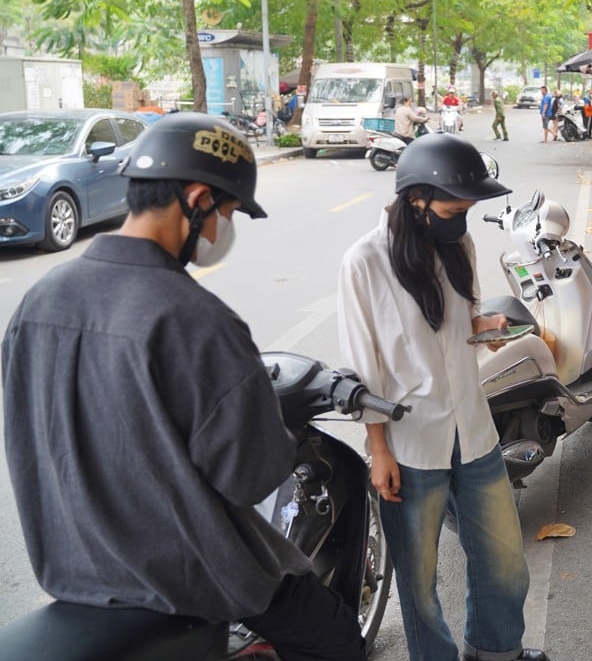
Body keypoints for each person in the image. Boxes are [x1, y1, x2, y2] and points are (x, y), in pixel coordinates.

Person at [2, 113, 366, 660]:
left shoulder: (40, 300)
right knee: (332, 636)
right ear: (196, 200)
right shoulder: (195, 319)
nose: (225, 229)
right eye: (226, 212)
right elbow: (252, 476)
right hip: (186, 573)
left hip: (71, 566)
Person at [337, 133, 549, 661]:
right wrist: (379, 450)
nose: (463, 219)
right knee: (420, 583)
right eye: (455, 209)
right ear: (416, 199)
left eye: (469, 210)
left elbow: (463, 322)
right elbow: (363, 369)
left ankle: (498, 651)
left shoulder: (460, 244)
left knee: (504, 561)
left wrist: (489, 326)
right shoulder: (363, 263)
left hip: (473, 430)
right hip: (410, 445)